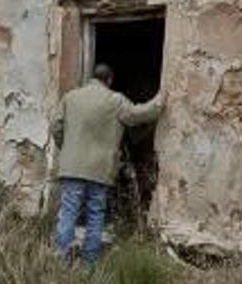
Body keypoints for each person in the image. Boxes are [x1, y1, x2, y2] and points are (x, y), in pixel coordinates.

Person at [51, 63, 164, 265]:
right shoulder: (115, 100)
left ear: (91, 78)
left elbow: (56, 127)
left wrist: (66, 148)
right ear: (109, 80)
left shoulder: (70, 97)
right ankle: (89, 264)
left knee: (68, 214)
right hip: (100, 170)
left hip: (72, 168)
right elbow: (139, 115)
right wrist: (161, 99)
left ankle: (60, 261)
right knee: (96, 217)